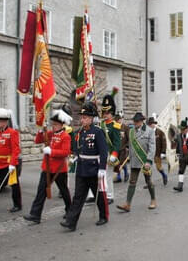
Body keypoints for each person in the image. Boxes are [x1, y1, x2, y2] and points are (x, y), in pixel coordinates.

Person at [60, 102, 109, 231]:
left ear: (92, 118)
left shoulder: (98, 132)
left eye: (86, 117)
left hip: (94, 169)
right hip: (82, 168)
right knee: (78, 197)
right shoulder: (79, 132)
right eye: (82, 117)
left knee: (98, 195)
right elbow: (76, 148)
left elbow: (104, 152)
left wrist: (102, 169)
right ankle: (71, 222)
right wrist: (75, 156)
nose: (83, 119)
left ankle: (104, 216)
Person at [23, 109, 72, 224]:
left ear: (61, 125)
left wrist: (52, 151)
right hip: (47, 168)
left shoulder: (65, 136)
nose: (53, 126)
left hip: (59, 169)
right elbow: (37, 141)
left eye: (55, 124)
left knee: (64, 191)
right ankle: (35, 214)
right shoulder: (50, 134)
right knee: (41, 191)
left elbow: (65, 152)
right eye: (52, 124)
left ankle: (70, 210)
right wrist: (41, 131)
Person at [117, 112, 156, 212]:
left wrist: (149, 161)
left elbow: (152, 147)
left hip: (145, 161)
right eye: (134, 121)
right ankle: (127, 204)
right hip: (134, 161)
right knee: (132, 182)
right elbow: (127, 144)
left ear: (142, 121)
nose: (135, 123)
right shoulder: (131, 131)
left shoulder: (150, 131)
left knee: (148, 181)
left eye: (137, 121)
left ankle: (153, 200)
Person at [99, 92, 121, 204]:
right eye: (104, 112)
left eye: (107, 113)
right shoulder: (100, 125)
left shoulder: (115, 126)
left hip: (109, 153)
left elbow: (117, 142)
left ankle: (110, 195)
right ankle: (101, 193)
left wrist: (114, 155)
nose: (105, 115)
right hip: (100, 154)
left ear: (112, 114)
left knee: (108, 176)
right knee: (100, 175)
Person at [147, 117, 168, 185]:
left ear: (154, 124)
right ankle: (150, 182)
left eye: (152, 124)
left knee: (158, 167)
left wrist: (163, 152)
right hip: (149, 153)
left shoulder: (160, 132)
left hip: (157, 153)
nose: (150, 125)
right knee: (148, 167)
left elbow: (164, 142)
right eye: (149, 124)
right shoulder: (147, 132)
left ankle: (164, 175)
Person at [113, 113, 130, 183]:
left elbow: (129, 138)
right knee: (116, 163)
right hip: (115, 148)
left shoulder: (125, 127)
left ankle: (126, 173)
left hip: (123, 148)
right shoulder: (114, 127)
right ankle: (118, 177)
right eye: (117, 120)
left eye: (119, 119)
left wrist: (127, 146)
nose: (118, 121)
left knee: (122, 162)